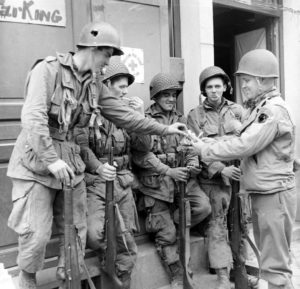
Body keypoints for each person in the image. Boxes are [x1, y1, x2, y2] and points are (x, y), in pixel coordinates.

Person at [6, 21, 187, 289]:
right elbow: (33, 118)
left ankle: (69, 282)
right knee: (37, 236)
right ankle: (28, 282)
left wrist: (166, 128)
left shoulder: (93, 86)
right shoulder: (48, 69)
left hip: (70, 163)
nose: (107, 63)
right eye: (106, 55)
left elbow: (125, 116)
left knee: (76, 236)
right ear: (93, 48)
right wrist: (51, 159)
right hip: (36, 165)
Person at [191, 49, 296, 289]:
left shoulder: (272, 110)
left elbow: (245, 144)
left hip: (274, 195)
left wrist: (204, 151)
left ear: (261, 80)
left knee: (275, 268)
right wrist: (206, 143)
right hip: (266, 193)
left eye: (246, 80)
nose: (244, 86)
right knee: (272, 264)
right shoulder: (260, 108)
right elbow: (238, 139)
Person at [131, 72, 211, 289]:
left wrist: (193, 163)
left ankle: (174, 224)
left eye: (174, 94)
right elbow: (140, 156)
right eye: (165, 94)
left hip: (182, 181)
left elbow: (192, 146)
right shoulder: (143, 119)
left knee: (203, 207)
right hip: (155, 184)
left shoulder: (181, 119)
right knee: (167, 234)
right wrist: (168, 171)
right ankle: (177, 274)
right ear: (155, 96)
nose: (170, 98)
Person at [77, 58, 141, 289]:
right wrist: (98, 167)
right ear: (106, 85)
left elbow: (142, 147)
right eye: (121, 87)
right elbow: (81, 145)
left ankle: (122, 283)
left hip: (122, 183)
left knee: (126, 239)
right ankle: (107, 258)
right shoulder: (88, 110)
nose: (125, 92)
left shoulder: (127, 113)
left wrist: (139, 117)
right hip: (96, 182)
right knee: (94, 235)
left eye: (126, 87)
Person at [187, 66, 243, 289]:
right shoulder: (194, 115)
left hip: (239, 178)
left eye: (217, 86)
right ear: (203, 90)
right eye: (209, 87)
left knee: (241, 225)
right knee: (217, 226)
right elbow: (194, 149)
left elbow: (248, 141)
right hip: (213, 181)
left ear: (225, 87)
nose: (213, 91)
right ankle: (222, 278)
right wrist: (221, 169)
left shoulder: (238, 111)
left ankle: (239, 272)